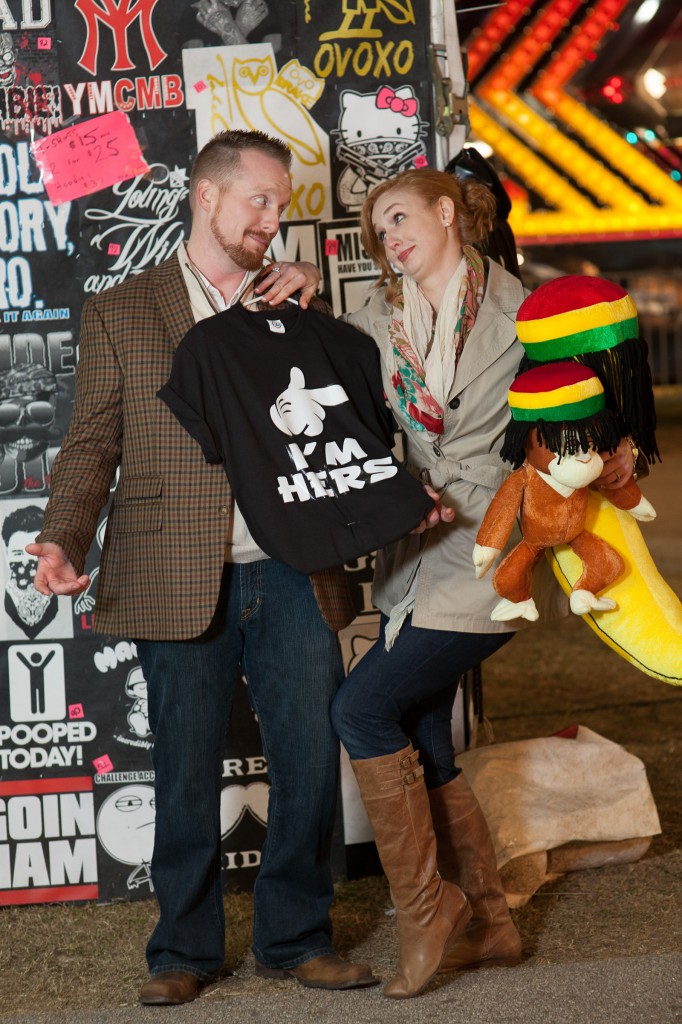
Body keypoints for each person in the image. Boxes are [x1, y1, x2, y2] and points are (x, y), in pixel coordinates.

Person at [26, 129, 379, 1006]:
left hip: (294, 567)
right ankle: (180, 950)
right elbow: (91, 441)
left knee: (307, 755)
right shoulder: (122, 310)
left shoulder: (291, 301)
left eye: (281, 204)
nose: (273, 219)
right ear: (206, 197)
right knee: (180, 767)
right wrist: (64, 533)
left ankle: (296, 937)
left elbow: (349, 405)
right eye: (258, 199)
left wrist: (315, 312)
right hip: (170, 569)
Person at [330, 168, 638, 999]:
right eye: (376, 229)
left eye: (400, 216)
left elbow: (600, 408)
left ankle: (428, 909)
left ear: (445, 211)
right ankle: (492, 924)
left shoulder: (530, 313)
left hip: (493, 551)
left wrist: (613, 449)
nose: (389, 237)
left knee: (360, 708)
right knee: (424, 733)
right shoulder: (370, 321)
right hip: (412, 545)